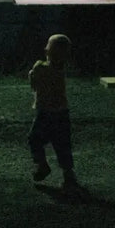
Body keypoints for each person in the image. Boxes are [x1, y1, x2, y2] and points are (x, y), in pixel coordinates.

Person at [27, 34, 78, 191]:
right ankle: (68, 175)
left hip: (46, 113)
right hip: (62, 113)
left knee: (34, 139)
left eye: (48, 47)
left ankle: (42, 165)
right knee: (62, 145)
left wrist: (33, 71)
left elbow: (33, 83)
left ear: (50, 52)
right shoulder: (60, 70)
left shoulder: (41, 68)